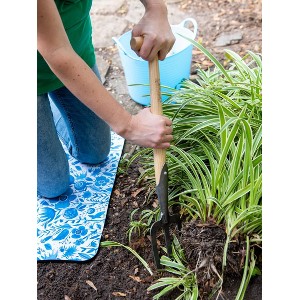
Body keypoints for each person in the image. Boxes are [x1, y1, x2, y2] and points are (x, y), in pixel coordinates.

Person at [37, 0, 175, 198]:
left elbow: (63, 52)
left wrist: (156, 9)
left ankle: (51, 104)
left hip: (73, 51)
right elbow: (57, 53)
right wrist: (129, 125)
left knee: (95, 152)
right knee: (54, 186)